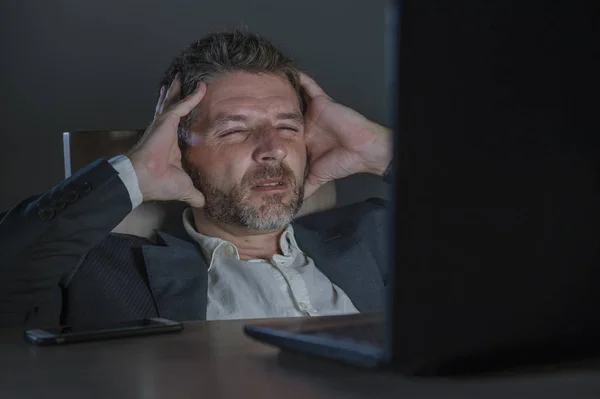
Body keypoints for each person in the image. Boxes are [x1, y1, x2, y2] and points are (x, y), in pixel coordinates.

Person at [0, 30, 393, 328]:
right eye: (234, 130)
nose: (272, 148)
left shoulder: (376, 235)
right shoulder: (102, 272)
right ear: (180, 149)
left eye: (288, 127)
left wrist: (382, 150)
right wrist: (136, 172)